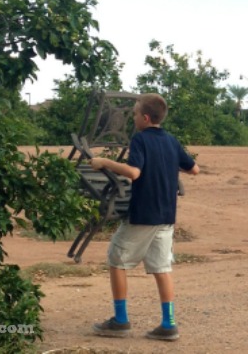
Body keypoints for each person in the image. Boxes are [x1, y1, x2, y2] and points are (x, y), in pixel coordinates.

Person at [90, 92, 199, 341]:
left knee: (117, 259)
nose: (134, 118)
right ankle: (168, 324)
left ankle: (120, 321)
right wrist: (167, 163)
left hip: (144, 214)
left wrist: (104, 162)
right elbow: (194, 168)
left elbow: (133, 173)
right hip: (166, 216)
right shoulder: (171, 141)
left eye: (136, 114)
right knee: (162, 268)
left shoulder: (140, 139)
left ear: (146, 118)